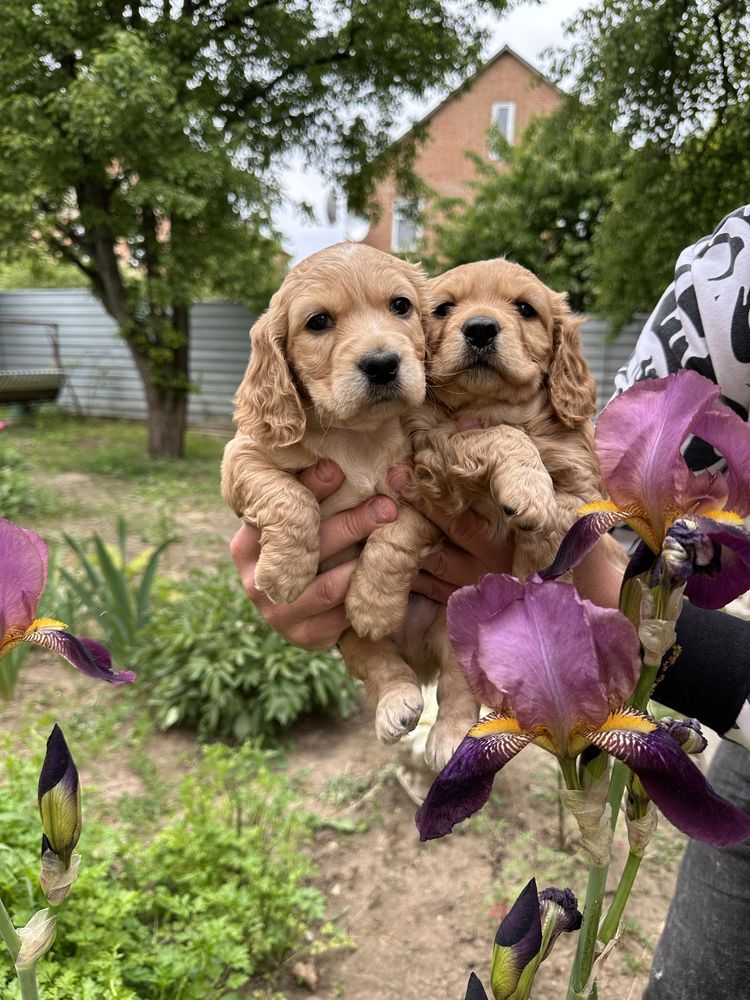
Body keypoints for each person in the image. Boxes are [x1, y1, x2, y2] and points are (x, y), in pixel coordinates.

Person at [230, 205, 750, 999]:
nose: (477, 324)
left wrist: (563, 580)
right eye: (446, 309)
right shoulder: (726, 277)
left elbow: (590, 499)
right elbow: (633, 492)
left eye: (521, 312)